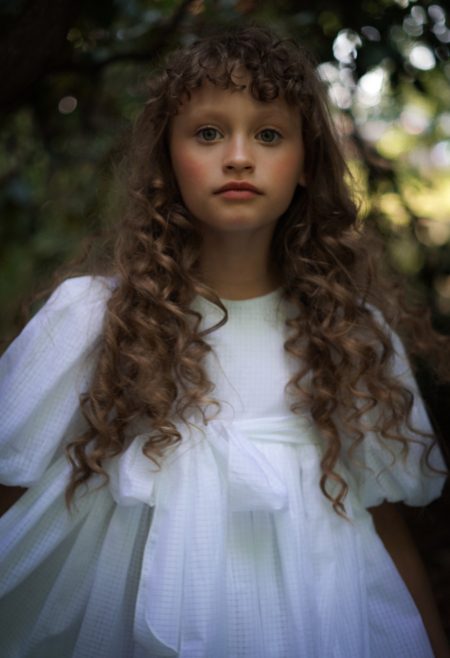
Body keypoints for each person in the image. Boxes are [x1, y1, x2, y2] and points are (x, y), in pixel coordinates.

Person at [0, 25, 449, 658]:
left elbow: (381, 515)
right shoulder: (95, 321)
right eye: (209, 133)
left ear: (305, 166)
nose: (239, 156)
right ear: (167, 160)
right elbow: (10, 489)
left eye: (268, 134)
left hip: (320, 622)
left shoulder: (351, 336)